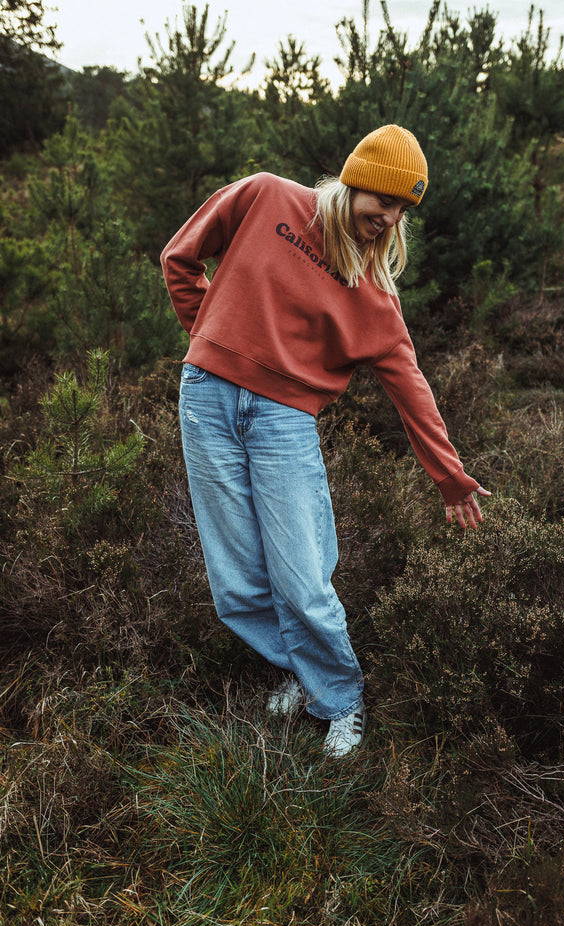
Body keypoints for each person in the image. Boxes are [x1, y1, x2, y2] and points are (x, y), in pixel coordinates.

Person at [161, 124, 490, 758]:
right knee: (235, 582)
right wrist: (207, 341)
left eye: (402, 211)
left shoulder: (373, 296)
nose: (389, 219)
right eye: (383, 201)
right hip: (204, 398)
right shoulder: (266, 197)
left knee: (302, 576)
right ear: (353, 182)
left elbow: (411, 388)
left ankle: (339, 697)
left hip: (284, 419)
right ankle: (302, 673)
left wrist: (449, 477)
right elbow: (181, 258)